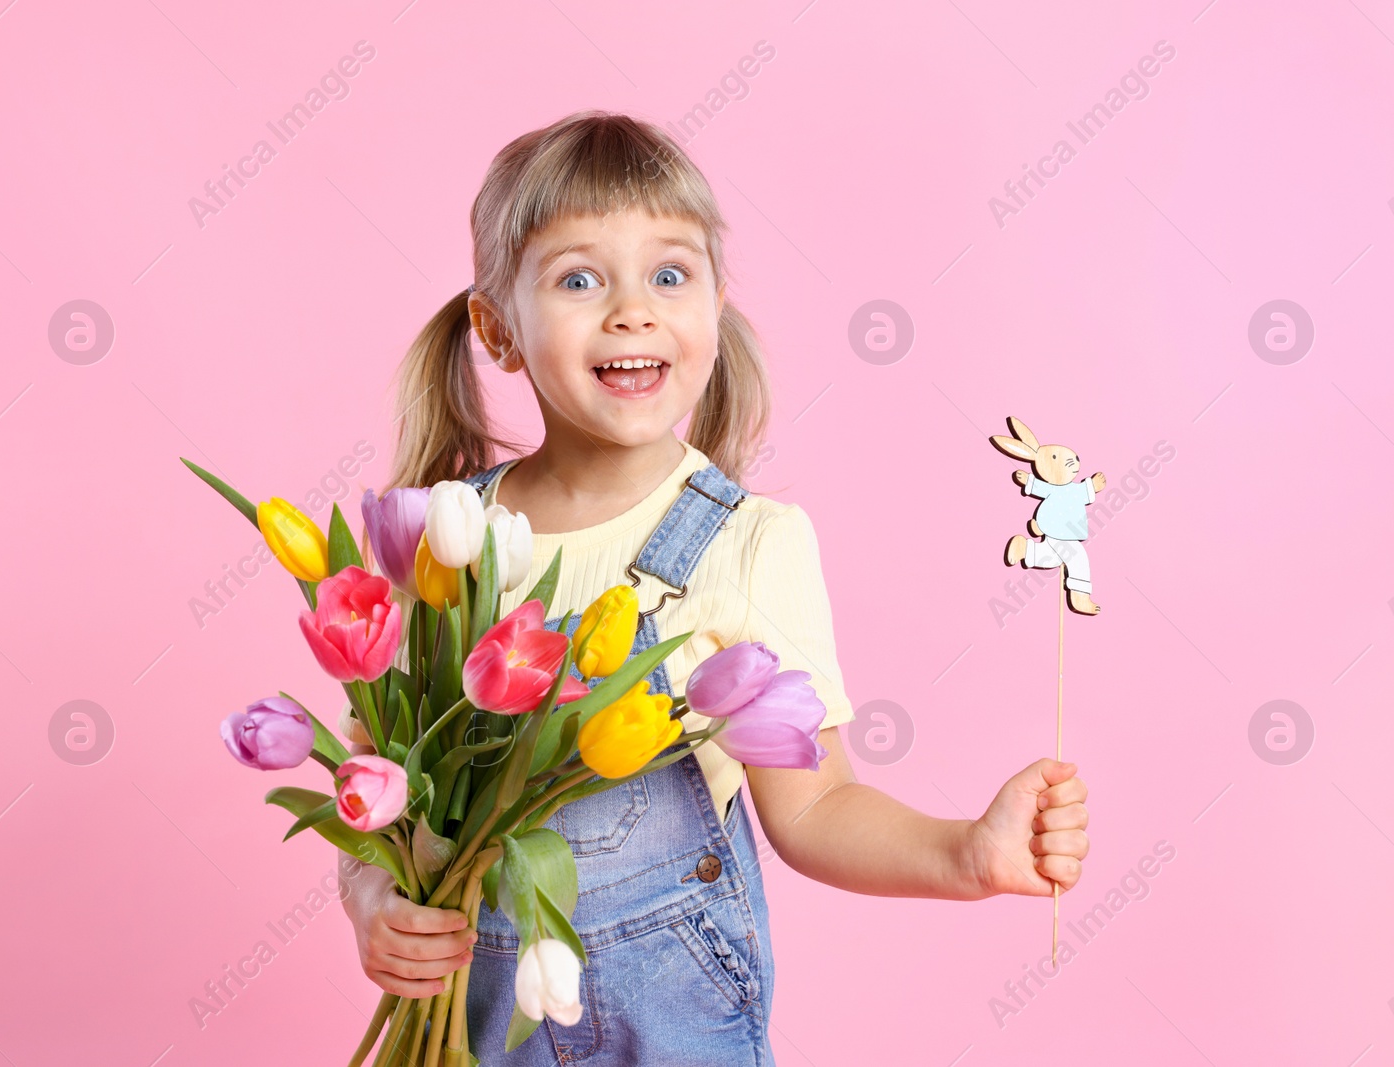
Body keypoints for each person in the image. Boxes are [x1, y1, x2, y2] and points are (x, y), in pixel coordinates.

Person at [337, 109, 1090, 1065]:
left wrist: (964, 852)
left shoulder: (747, 546)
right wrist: (373, 902)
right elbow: (380, 793)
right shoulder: (445, 544)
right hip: (476, 1036)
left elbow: (814, 807)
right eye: (578, 279)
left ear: (716, 305)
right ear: (498, 328)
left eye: (668, 274)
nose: (632, 310)